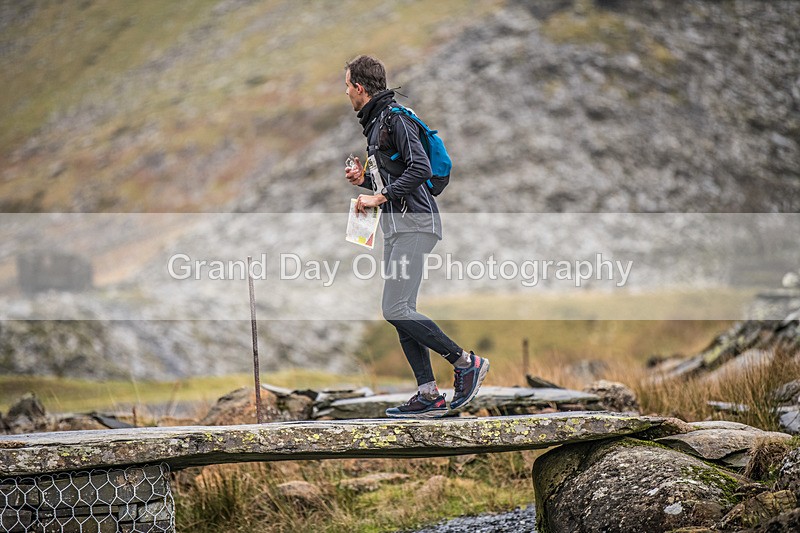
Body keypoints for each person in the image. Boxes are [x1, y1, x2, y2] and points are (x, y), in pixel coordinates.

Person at [343, 54, 489, 418]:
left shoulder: (395, 119)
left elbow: (421, 168)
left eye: (347, 86)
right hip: (397, 227)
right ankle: (428, 394)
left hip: (416, 224)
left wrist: (380, 195)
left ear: (360, 88)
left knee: (395, 308)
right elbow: (395, 176)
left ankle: (465, 362)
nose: (345, 93)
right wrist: (366, 181)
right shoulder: (377, 124)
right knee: (399, 311)